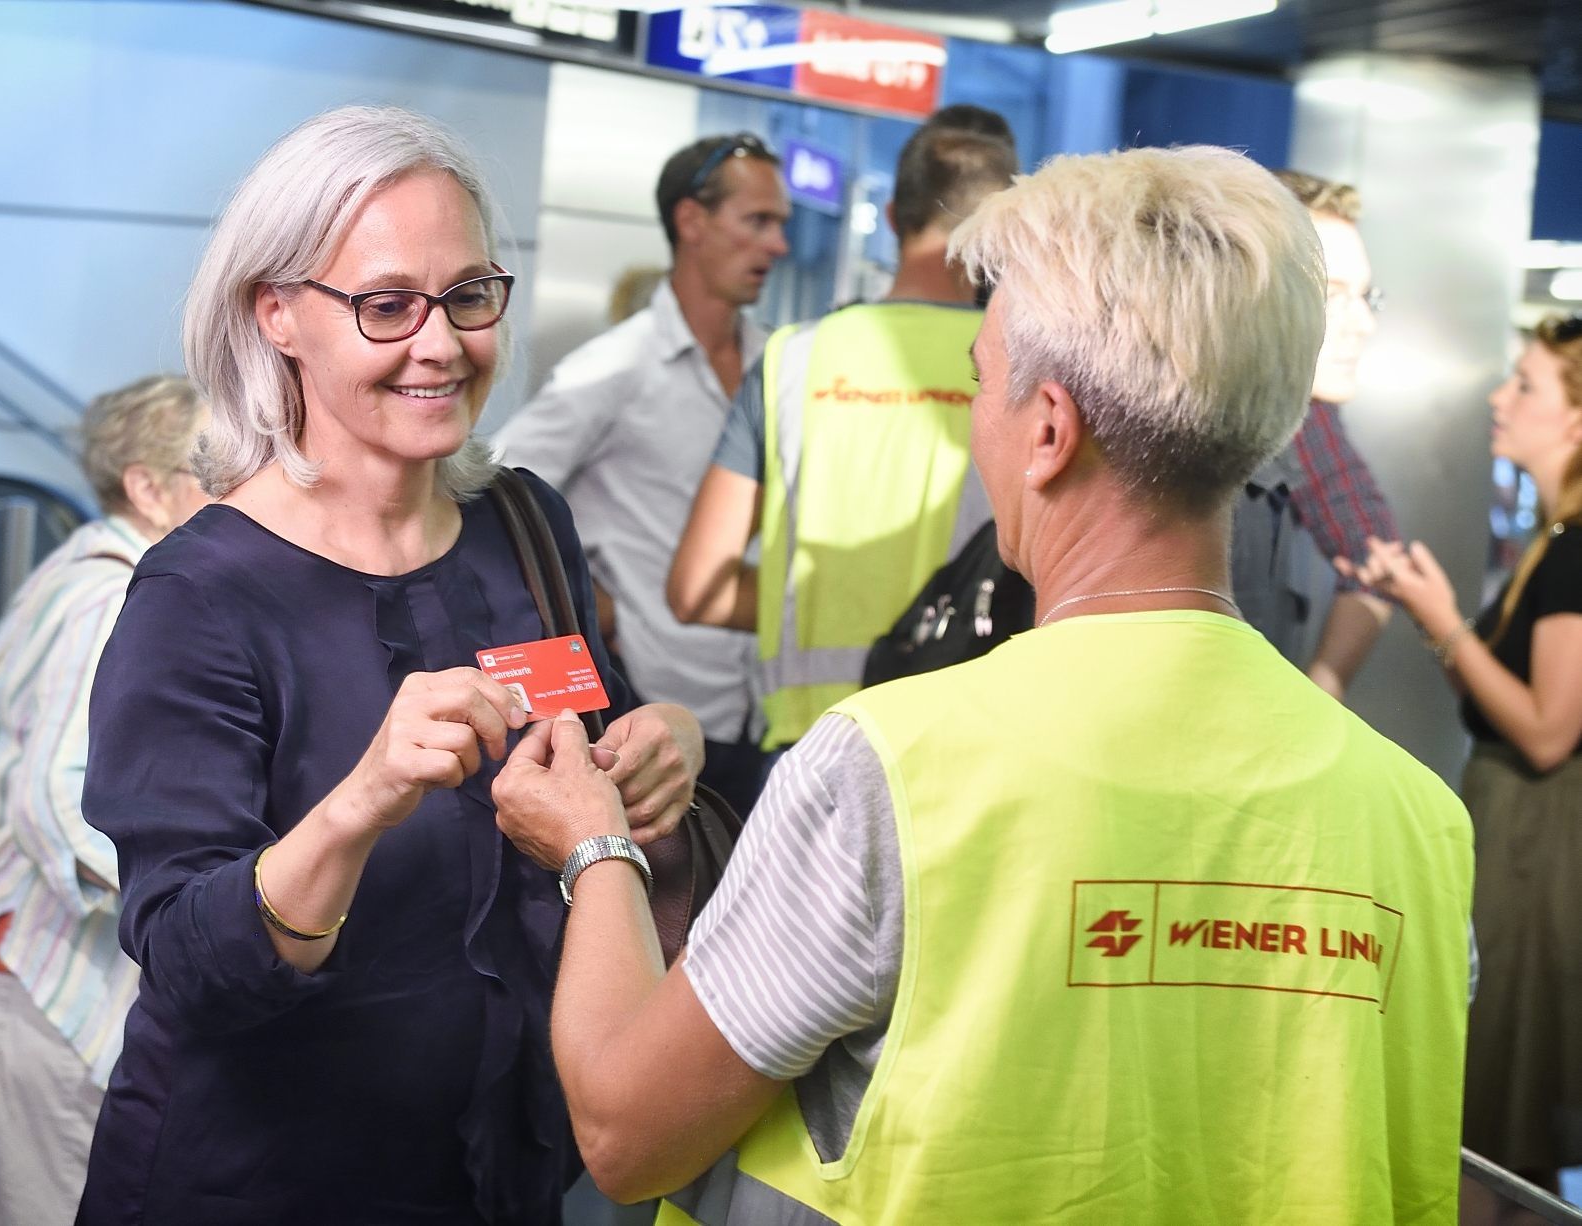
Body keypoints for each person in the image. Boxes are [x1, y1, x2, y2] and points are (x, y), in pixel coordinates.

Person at [494, 146, 1476, 1223]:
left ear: (1049, 430)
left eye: (978, 379)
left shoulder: (892, 774)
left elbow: (628, 1132)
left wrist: (596, 849)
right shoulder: (1421, 822)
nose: (976, 421)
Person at [75, 106, 701, 1224]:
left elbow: (583, 736)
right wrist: (362, 800)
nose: (441, 343)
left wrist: (662, 749)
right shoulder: (200, 595)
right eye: (385, 305)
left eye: (467, 296)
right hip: (261, 1185)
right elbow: (187, 955)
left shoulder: (520, 520)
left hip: (498, 1168)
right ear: (276, 314)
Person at [667, 106, 1016, 755]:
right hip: (962, 749)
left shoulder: (789, 361)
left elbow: (697, 592)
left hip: (807, 748)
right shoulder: (1024, 369)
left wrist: (824, 601)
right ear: (999, 235)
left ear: (891, 219)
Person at [0, 376, 207, 1225]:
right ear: (148, 486)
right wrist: (196, 909)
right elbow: (55, 802)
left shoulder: (83, 563)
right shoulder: (113, 597)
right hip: (35, 992)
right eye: (219, 467)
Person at [1347, 314, 1582, 1212]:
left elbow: (1545, 731)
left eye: (1524, 384)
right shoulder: (1550, 548)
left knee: (1496, 1091)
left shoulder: (1569, 557)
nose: (1498, 397)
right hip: (1519, 828)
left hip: (1534, 842)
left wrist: (1440, 619)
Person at [497, 134, 789, 814]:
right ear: (691, 222)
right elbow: (496, 490)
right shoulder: (613, 370)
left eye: (780, 225)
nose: (776, 245)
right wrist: (583, 601)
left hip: (763, 711)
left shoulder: (779, 364)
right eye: (757, 222)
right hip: (653, 723)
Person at [1233, 170, 1399, 699]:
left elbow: (1376, 558)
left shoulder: (1307, 416)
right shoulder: (1143, 417)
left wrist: (1318, 694)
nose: (1364, 325)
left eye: (1366, 297)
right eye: (1333, 295)